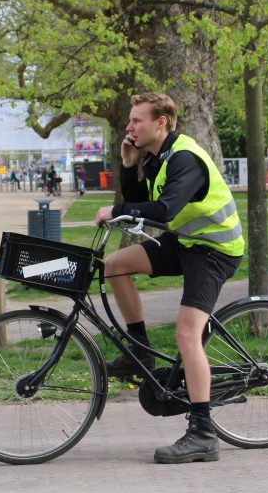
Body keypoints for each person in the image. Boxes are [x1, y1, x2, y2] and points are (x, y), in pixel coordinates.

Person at [95, 92, 244, 464]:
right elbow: (145, 202)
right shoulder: (160, 158)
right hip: (186, 242)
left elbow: (164, 209)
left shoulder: (185, 158)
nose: (128, 127)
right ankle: (139, 350)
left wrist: (115, 209)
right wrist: (129, 166)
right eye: (129, 120)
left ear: (161, 122)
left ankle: (203, 434)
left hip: (214, 250)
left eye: (136, 121)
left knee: (186, 334)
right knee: (115, 265)